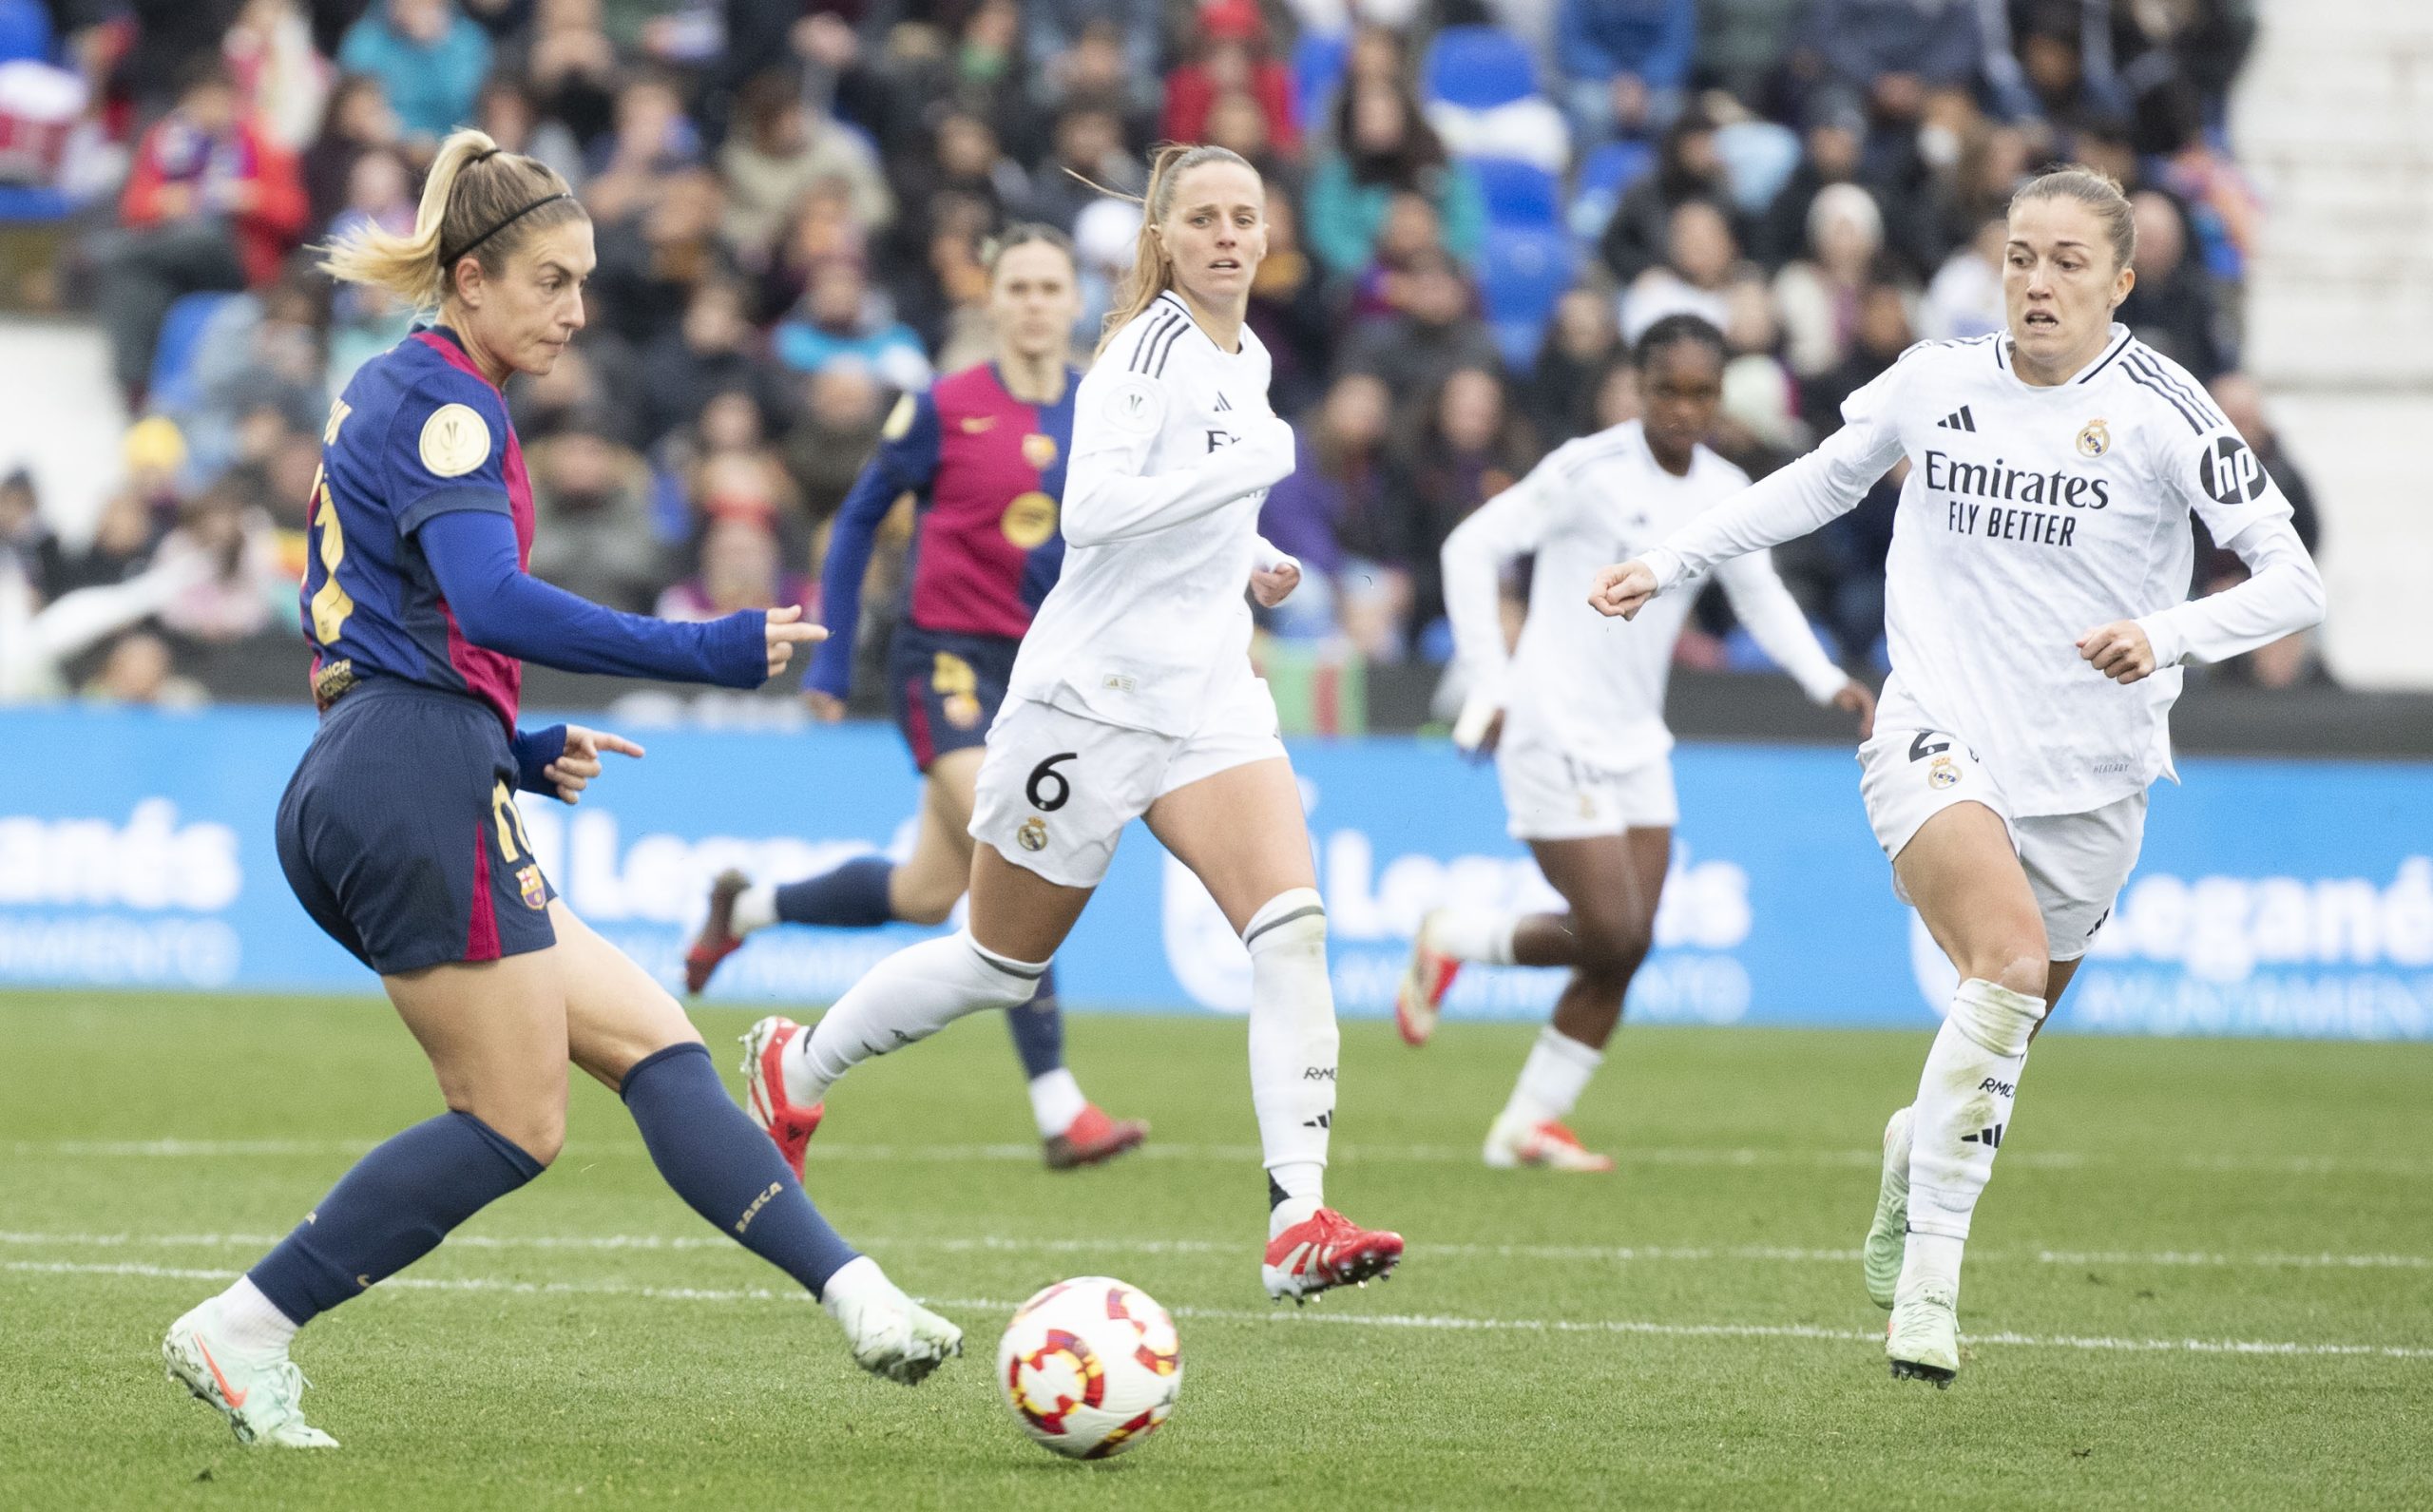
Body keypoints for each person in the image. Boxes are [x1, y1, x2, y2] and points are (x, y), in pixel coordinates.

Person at [160, 130, 962, 1453]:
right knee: (514, 1121)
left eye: (584, 281)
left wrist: (514, 745)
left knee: (656, 1042)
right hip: (405, 772)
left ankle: (862, 1295)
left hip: (400, 756)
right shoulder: (453, 406)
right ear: (471, 279)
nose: (577, 310)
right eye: (550, 280)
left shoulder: (396, 387)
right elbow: (488, 600)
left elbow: (402, 618)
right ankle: (245, 1324)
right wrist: (703, 651)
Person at [1587, 167, 2326, 1384]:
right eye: (2020, 255)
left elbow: (2291, 577)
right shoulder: (1936, 380)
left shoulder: (2162, 406)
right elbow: (1819, 481)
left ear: (2121, 281)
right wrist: (1671, 558)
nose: (2037, 280)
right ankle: (1928, 1283)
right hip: (1937, 729)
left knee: (2004, 1031)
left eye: (2068, 262)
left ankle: (1909, 1148)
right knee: (2006, 966)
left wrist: (2169, 631)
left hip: (2094, 770)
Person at [739, 144, 1405, 1302]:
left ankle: (1296, 1218)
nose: (1228, 235)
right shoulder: (1141, 349)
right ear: (1162, 238)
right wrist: (1245, 472)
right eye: (1203, 218)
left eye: (1245, 216)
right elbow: (1094, 510)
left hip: (1203, 693)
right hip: (1088, 700)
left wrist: (1250, 551)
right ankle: (798, 1062)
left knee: (1291, 926)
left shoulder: (1244, 354)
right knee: (998, 963)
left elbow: (1192, 490)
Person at [682, 226, 1151, 1173]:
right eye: (1015, 285)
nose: (1031, 302)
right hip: (942, 663)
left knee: (927, 890)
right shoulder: (942, 408)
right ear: (991, 299)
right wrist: (830, 659)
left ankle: (747, 911)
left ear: (1074, 302)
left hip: (1040, 675)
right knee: (1018, 838)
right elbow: (857, 520)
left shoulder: (1103, 415)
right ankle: (1060, 1107)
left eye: (1048, 286)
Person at [1402, 315, 1871, 1170]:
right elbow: (1470, 547)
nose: (1686, 409)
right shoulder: (1587, 470)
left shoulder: (1728, 485)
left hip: (1636, 738)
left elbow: (1760, 596)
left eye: (1703, 392)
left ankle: (1528, 1124)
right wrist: (1492, 681)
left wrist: (1824, 679)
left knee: (1630, 940)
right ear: (1637, 387)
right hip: (1549, 721)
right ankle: (1453, 937)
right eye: (1669, 390)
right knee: (1612, 929)